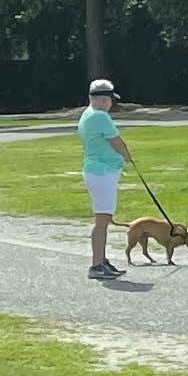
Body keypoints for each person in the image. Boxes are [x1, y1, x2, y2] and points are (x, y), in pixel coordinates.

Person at [80, 77, 135, 279]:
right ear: (103, 99)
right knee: (102, 221)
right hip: (102, 173)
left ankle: (102, 260)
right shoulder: (100, 117)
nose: (111, 104)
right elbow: (117, 142)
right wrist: (128, 157)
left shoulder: (87, 114)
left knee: (104, 219)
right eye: (110, 100)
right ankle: (96, 265)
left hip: (98, 172)